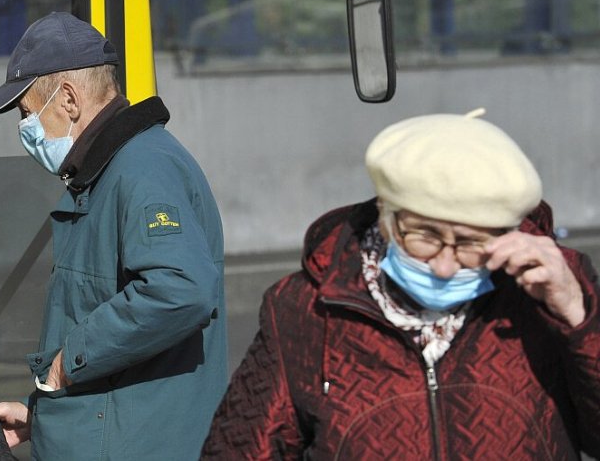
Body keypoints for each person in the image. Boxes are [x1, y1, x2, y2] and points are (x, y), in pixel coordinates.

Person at [201, 109, 600, 459]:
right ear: (387, 219)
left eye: (472, 243)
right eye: (423, 235)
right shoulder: (305, 306)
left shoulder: (550, 289)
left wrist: (577, 319)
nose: (445, 266)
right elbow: (244, 447)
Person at [0, 12, 228, 460]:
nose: (25, 130)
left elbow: (181, 290)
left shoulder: (143, 169)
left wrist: (66, 366)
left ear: (68, 99)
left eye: (28, 113)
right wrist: (39, 416)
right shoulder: (108, 174)